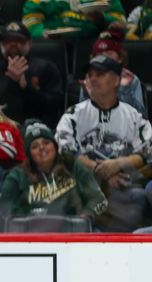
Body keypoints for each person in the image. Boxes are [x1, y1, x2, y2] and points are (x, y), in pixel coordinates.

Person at [56, 55, 152, 232]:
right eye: (89, 75)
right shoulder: (73, 115)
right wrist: (99, 170)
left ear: (116, 80)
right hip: (85, 188)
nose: (92, 78)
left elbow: (149, 152)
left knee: (138, 196)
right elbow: (64, 153)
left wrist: (119, 164)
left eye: (99, 74)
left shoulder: (133, 117)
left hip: (126, 189)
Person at [0, 121, 107, 225]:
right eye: (35, 146)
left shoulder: (73, 166)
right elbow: (5, 208)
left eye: (46, 143)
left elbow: (100, 200)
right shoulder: (17, 175)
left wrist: (85, 217)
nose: (42, 148)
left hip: (72, 233)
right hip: (32, 235)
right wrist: (26, 219)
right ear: (29, 155)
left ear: (55, 146)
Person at [0, 22, 64, 129]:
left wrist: (25, 88)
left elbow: (55, 105)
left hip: (39, 129)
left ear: (30, 44)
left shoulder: (46, 68)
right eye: (8, 41)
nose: (13, 44)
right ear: (1, 45)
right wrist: (11, 81)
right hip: (1, 128)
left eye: (19, 41)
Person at [77, 29, 146, 116]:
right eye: (99, 55)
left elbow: (140, 117)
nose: (104, 58)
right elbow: (81, 117)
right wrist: (88, 93)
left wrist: (124, 90)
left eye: (109, 54)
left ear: (120, 58)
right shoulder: (90, 79)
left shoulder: (131, 79)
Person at [22, 0, 125, 40]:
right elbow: (30, 23)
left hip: (95, 45)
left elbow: (120, 22)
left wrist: (102, 19)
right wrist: (42, 33)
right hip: (54, 44)